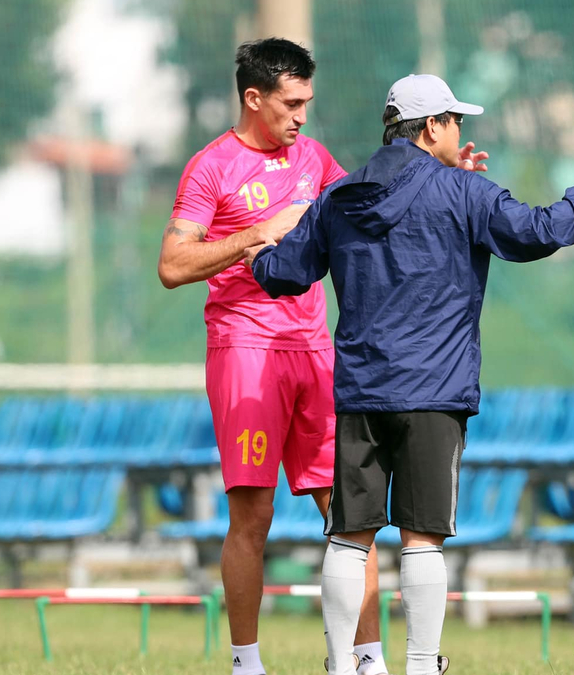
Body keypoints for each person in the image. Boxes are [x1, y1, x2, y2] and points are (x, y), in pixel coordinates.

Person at [249, 73, 574, 675]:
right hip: (435, 393)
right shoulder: (462, 194)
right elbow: (544, 231)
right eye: (456, 121)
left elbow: (283, 273)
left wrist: (258, 254)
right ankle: (423, 664)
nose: (462, 131)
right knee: (422, 535)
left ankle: (337, 663)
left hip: (360, 393)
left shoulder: (341, 196)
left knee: (349, 536)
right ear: (433, 128)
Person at [157, 38, 387, 675]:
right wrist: (253, 234)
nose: (302, 116)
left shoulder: (314, 158)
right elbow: (173, 265)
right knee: (252, 514)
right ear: (253, 98)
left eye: (308, 102)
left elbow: (370, 212)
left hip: (315, 350)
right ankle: (246, 662)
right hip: (246, 353)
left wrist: (448, 180)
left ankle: (366, 661)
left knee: (351, 511)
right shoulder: (211, 168)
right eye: (291, 103)